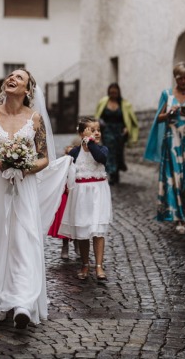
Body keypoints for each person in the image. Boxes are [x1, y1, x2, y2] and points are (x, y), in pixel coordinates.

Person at [0, 69, 72, 329]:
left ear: (28, 90)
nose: (12, 79)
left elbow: (45, 157)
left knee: (23, 240)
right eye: (10, 75)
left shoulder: (35, 119)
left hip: (24, 187)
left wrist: (24, 167)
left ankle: (22, 302)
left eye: (19, 78)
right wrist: (0, 163)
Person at [143, 62, 185, 235]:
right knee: (175, 179)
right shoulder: (167, 94)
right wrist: (170, 112)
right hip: (171, 141)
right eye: (180, 78)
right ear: (175, 78)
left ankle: (184, 207)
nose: (183, 81)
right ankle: (179, 216)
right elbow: (159, 118)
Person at [59, 117, 112, 281]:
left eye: (98, 130)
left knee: (98, 230)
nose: (97, 132)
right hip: (81, 195)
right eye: (92, 130)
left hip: (98, 193)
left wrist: (90, 142)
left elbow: (99, 158)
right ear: (82, 133)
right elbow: (67, 165)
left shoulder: (102, 149)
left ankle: (99, 266)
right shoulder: (76, 152)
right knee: (82, 230)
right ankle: (84, 264)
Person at [95, 83, 138, 185]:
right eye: (111, 92)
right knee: (109, 152)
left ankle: (117, 172)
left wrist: (127, 128)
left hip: (119, 131)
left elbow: (128, 118)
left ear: (118, 92)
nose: (113, 94)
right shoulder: (103, 102)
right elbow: (98, 116)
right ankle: (112, 173)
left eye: (115, 92)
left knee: (118, 152)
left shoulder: (124, 104)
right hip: (107, 130)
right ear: (109, 92)